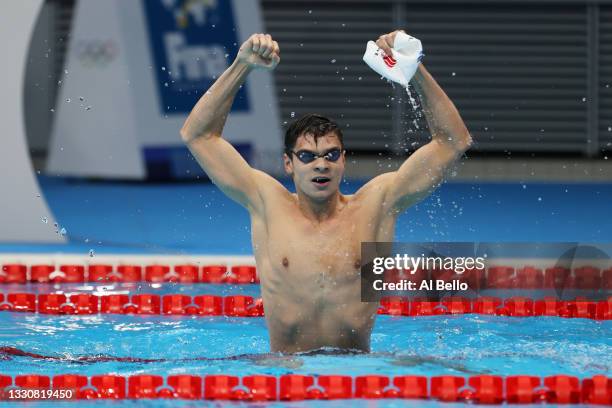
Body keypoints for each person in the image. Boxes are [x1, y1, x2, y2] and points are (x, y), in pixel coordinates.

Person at [180, 30, 472, 353]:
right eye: (307, 157)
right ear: (288, 164)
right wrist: (242, 66)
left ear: (344, 160)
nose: (321, 165)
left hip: (358, 376)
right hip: (282, 376)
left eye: (331, 155)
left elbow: (453, 142)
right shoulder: (266, 202)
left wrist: (413, 68)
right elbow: (198, 135)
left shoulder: (377, 204)